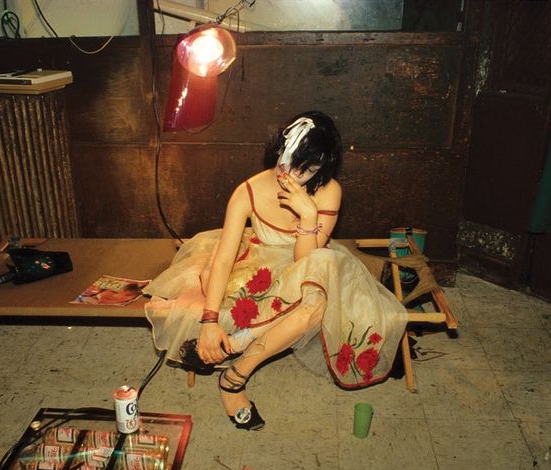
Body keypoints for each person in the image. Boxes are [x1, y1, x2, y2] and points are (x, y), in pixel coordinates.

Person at [143, 111, 407, 431]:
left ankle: (236, 371)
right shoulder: (249, 190)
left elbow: (304, 263)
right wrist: (210, 321)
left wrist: (308, 218)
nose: (294, 173)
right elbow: (224, 259)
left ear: (323, 167)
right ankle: (238, 353)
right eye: (290, 159)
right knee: (308, 301)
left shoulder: (329, 191)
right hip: (258, 264)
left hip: (309, 265)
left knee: (318, 284)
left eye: (308, 168)